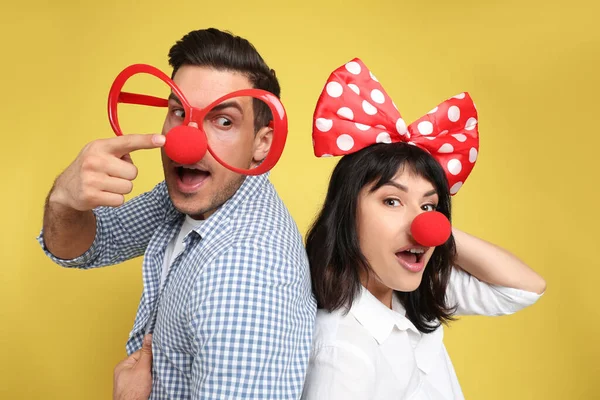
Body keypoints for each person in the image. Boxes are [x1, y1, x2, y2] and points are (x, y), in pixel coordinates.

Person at [38, 28, 316, 399]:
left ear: (261, 143)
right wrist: (64, 199)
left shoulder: (245, 272)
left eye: (224, 121)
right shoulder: (196, 194)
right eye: (179, 112)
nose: (187, 142)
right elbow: (88, 245)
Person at [300, 58, 546, 399]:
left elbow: (524, 288)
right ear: (345, 215)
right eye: (391, 201)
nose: (423, 226)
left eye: (429, 206)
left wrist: (438, 230)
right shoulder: (342, 351)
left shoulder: (412, 296)